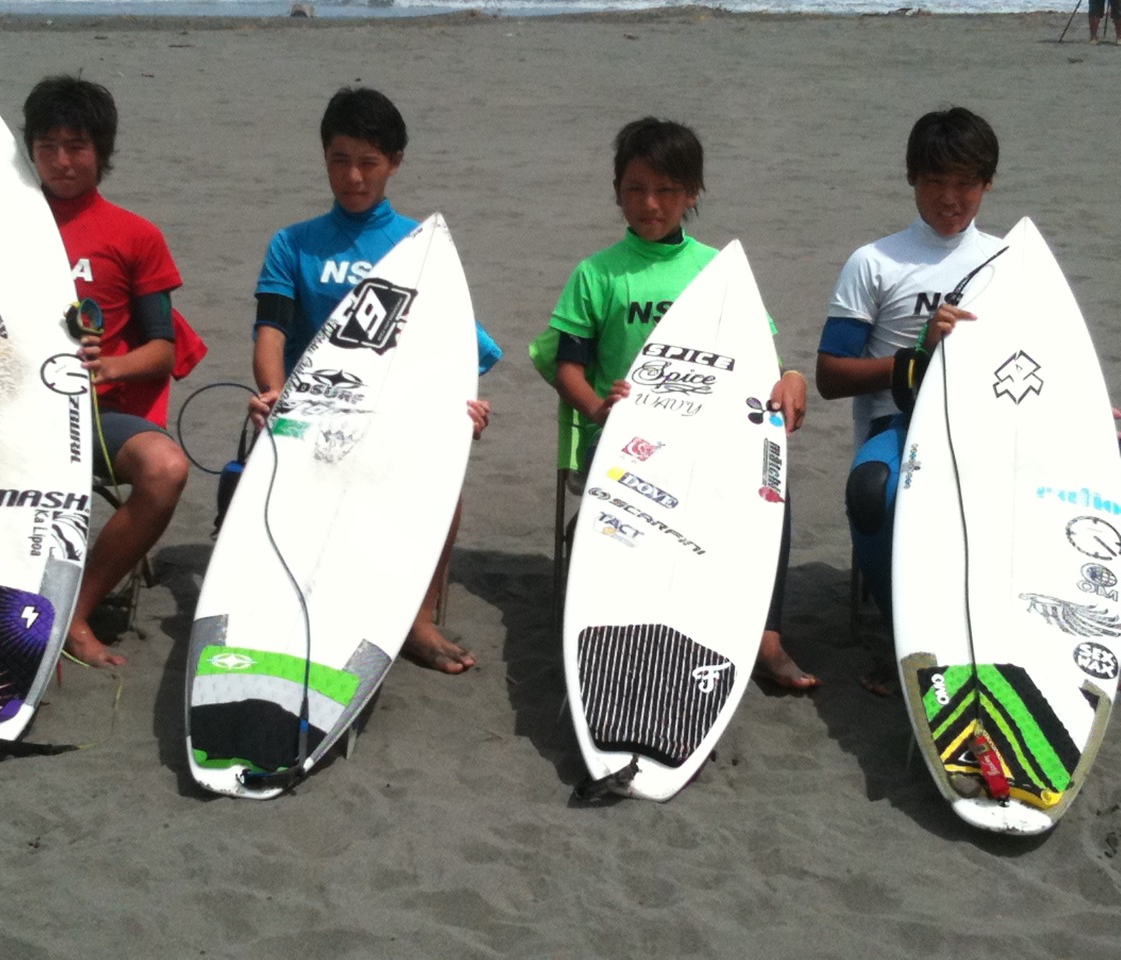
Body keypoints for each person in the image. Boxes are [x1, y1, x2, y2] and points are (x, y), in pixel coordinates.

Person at [0, 75, 202, 668]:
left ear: (102, 152)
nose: (61, 161)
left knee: (166, 470)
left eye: (76, 147)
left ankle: (76, 613)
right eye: (47, 147)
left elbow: (163, 348)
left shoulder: (135, 236)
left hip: (92, 417)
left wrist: (110, 366)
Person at [529, 116, 817, 691]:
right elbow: (568, 369)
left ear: (692, 194)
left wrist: (790, 376)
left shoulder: (717, 270)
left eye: (666, 190)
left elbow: (761, 360)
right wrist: (598, 410)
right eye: (635, 189)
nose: (650, 204)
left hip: (708, 438)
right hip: (623, 439)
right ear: (617, 191)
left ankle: (766, 636)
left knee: (772, 490)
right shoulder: (598, 274)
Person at [247, 86, 502, 675]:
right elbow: (271, 335)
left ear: (395, 162)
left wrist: (463, 407)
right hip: (312, 413)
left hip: (393, 418)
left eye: (369, 162)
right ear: (324, 158)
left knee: (446, 486)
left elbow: (460, 350)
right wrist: (274, 391)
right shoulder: (293, 244)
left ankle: (417, 619)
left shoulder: (421, 248)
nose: (354, 177)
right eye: (340, 160)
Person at [814, 106, 1002, 694]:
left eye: (965, 182)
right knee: (873, 491)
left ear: (987, 183)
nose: (950, 198)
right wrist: (917, 355)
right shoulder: (875, 262)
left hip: (989, 422)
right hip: (900, 420)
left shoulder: (1007, 261)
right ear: (912, 180)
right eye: (935, 181)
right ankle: (905, 640)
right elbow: (829, 375)